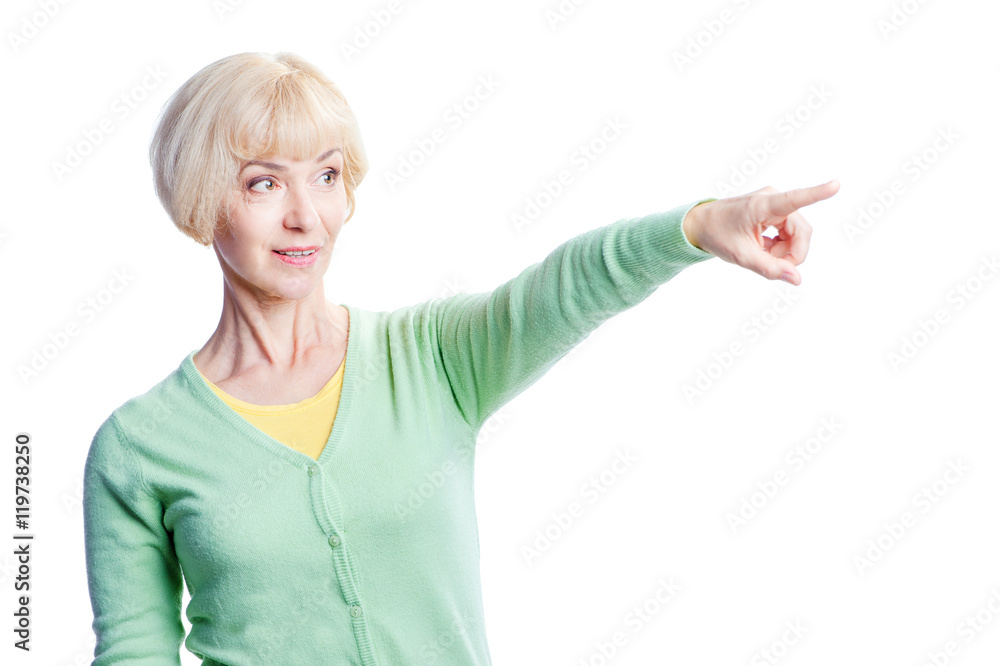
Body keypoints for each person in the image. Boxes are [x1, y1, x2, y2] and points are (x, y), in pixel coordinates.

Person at [82, 50, 839, 665]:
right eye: (264, 183)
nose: (305, 214)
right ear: (203, 199)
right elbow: (134, 655)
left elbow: (567, 288)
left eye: (327, 175)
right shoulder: (140, 447)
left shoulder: (431, 358)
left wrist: (697, 228)